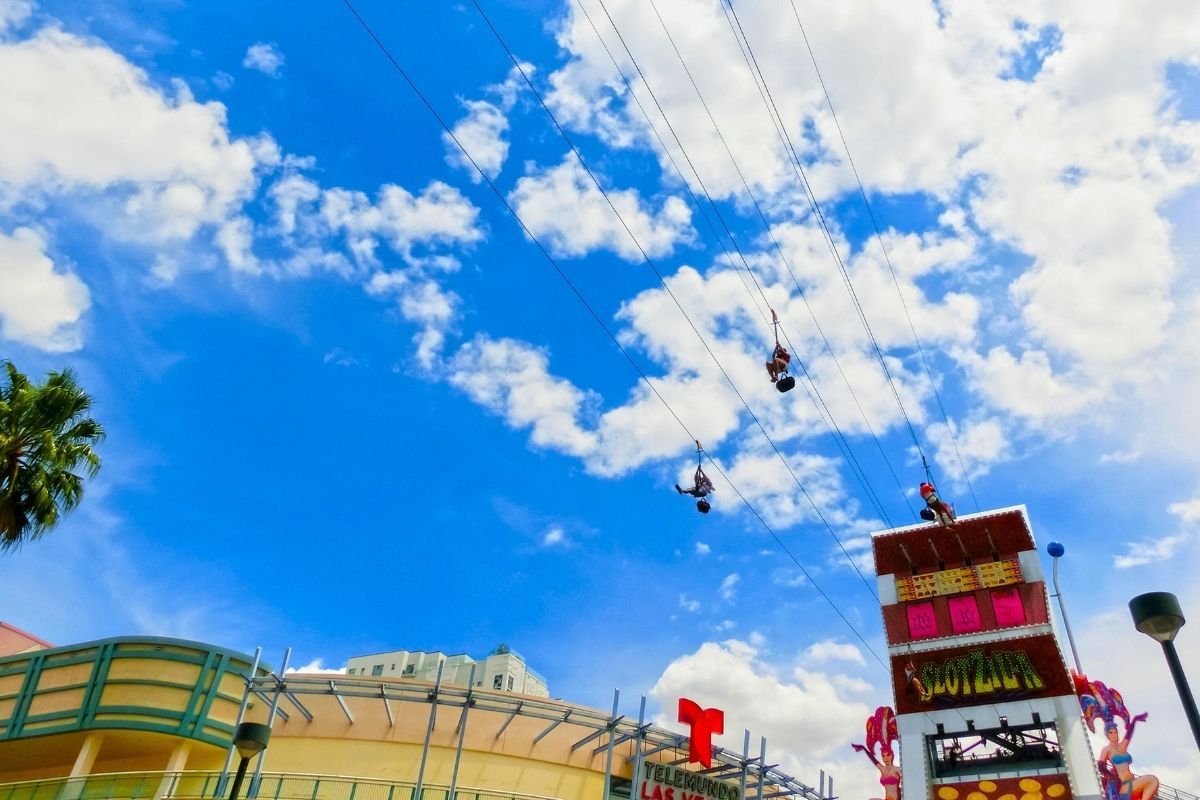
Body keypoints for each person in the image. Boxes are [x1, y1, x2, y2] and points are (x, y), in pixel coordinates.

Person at [1099, 716, 1157, 800]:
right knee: (1152, 780)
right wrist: (1112, 775)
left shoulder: (1122, 746)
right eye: (1111, 733)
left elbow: (1128, 734)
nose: (1114, 734)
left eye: (1115, 732)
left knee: (1152, 783)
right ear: (1107, 735)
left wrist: (1134, 720)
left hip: (1132, 781)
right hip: (1124, 785)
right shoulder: (1107, 749)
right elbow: (1101, 766)